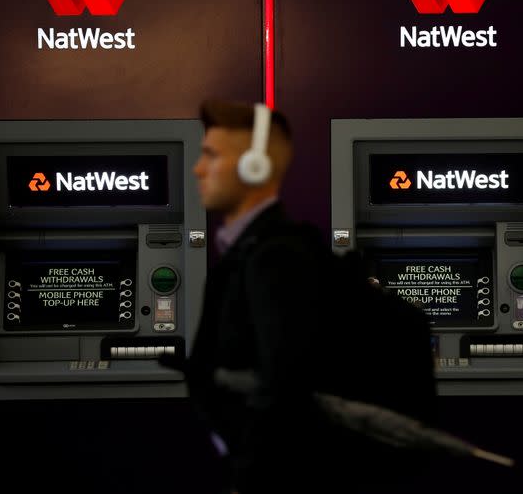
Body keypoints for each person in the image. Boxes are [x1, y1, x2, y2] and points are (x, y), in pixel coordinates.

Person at [182, 99, 433, 494]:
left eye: (212, 155)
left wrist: (248, 479)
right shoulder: (252, 249)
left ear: (254, 167)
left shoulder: (275, 255)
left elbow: (284, 387)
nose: (198, 169)